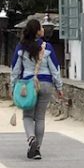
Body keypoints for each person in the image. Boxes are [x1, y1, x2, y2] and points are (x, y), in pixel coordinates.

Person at [10, 19, 63, 160]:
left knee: (28, 116)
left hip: (28, 85)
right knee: (40, 117)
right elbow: (55, 69)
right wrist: (59, 87)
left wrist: (13, 86)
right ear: (38, 31)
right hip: (46, 84)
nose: (43, 29)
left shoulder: (21, 47)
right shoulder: (47, 47)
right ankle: (37, 149)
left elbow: (15, 70)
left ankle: (31, 140)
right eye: (41, 27)